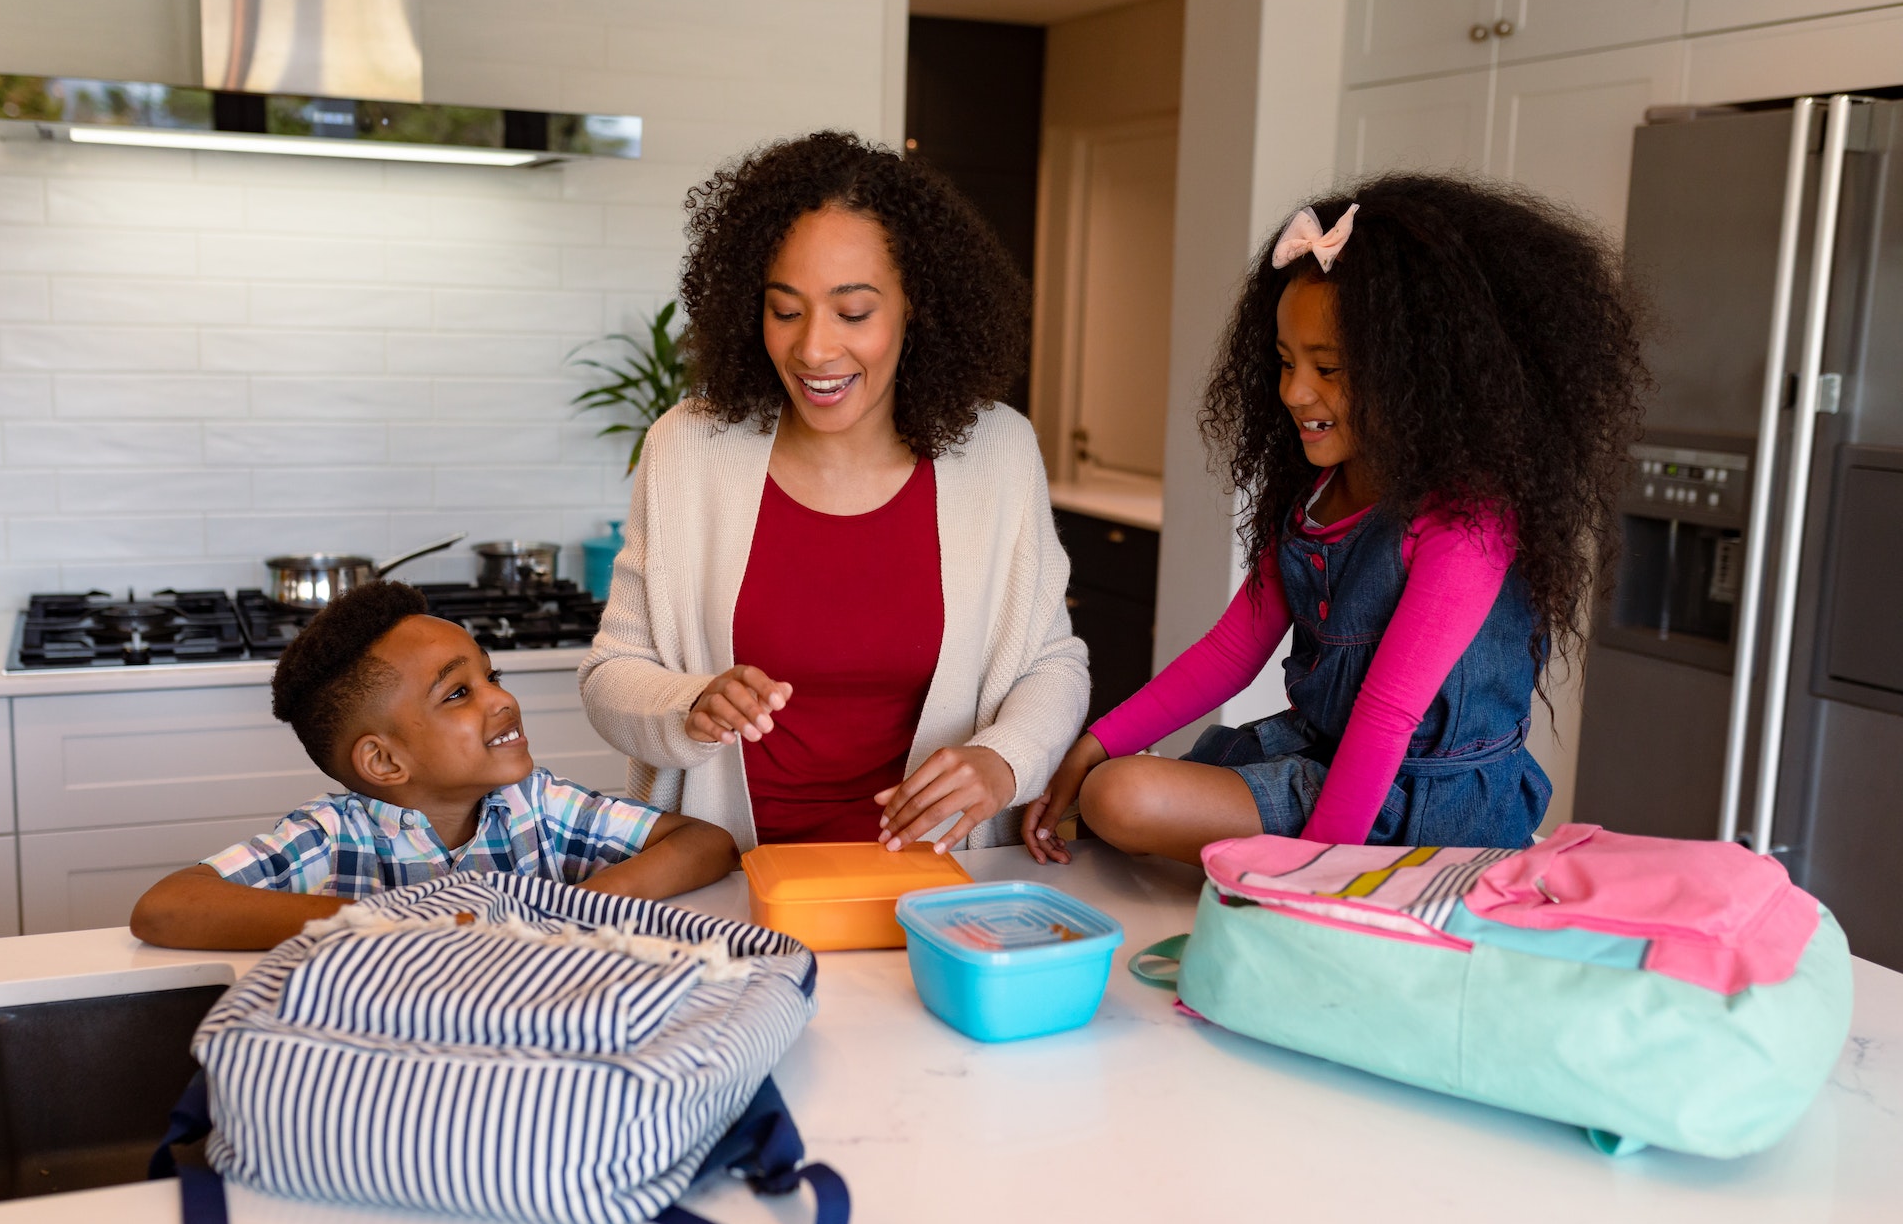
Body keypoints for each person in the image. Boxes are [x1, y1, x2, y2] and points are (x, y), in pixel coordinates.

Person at [1023, 173, 1648, 866]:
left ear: (1419, 376)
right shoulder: (1315, 497)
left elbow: (1387, 717)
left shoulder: (1466, 524)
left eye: (1330, 368)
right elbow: (1229, 654)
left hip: (1423, 801)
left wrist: (1317, 885)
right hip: (1324, 756)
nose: (1294, 392)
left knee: (1122, 799)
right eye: (1286, 362)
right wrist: (1092, 742)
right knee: (1115, 789)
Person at [579, 131, 1088, 854]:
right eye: (786, 310)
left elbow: (1050, 663)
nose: (814, 348)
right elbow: (610, 677)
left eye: (853, 312)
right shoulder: (687, 448)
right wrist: (689, 703)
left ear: (917, 306)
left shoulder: (997, 452)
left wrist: (1004, 760)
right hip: (728, 879)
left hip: (933, 881)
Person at [130, 582, 737, 950]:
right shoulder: (332, 838)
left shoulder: (539, 807)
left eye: (490, 676)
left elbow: (705, 843)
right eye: (457, 693)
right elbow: (165, 907)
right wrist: (392, 923)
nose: (501, 699)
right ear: (384, 761)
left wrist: (584, 903)